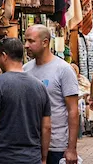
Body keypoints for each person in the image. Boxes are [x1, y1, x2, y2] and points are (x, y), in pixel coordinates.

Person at [0, 38, 52, 164]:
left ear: (4, 56)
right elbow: (46, 127)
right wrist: (43, 158)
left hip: (3, 158)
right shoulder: (40, 87)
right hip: (32, 159)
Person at [24, 25, 80, 164]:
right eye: (25, 41)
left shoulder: (63, 70)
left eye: (31, 41)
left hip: (57, 146)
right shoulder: (25, 70)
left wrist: (72, 148)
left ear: (45, 42)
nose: (26, 45)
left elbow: (73, 110)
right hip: (32, 145)